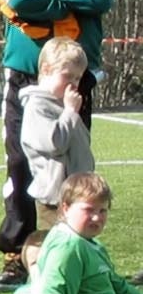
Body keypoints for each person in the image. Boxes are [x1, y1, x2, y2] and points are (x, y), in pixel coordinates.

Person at [0, 0, 116, 287]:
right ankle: (16, 253)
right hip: (26, 75)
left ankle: (71, 249)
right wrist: (68, 5)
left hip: (74, 80)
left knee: (73, 164)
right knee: (19, 161)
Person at [26, 173, 143, 294]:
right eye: (89, 210)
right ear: (65, 208)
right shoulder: (68, 248)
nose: (97, 217)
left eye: (102, 210)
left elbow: (118, 287)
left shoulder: (88, 243)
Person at [17, 37, 94, 232]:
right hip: (54, 198)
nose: (73, 84)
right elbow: (55, 143)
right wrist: (69, 112)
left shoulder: (63, 104)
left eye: (77, 78)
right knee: (55, 247)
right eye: (67, 76)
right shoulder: (37, 106)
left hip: (77, 194)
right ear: (46, 70)